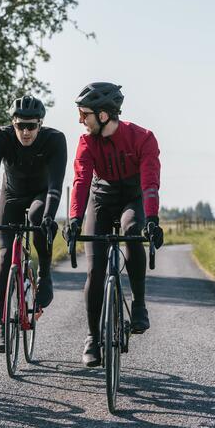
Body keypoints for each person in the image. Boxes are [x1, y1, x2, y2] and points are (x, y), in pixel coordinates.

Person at [63, 82, 164, 367]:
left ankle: (139, 304)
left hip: (132, 198)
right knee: (95, 269)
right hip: (101, 199)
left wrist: (152, 219)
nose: (80, 120)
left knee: (133, 231)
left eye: (84, 114)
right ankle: (93, 338)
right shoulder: (87, 141)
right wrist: (74, 219)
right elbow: (81, 181)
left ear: (104, 114)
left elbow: (150, 183)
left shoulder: (143, 138)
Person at [0, 95, 67, 352]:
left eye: (31, 126)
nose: (26, 132)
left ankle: (45, 273)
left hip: (41, 195)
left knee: (39, 220)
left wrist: (50, 216)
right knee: (5, 257)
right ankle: (2, 326)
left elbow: (55, 185)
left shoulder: (55, 140)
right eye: (20, 126)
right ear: (12, 123)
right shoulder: (0, 137)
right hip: (12, 196)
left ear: (40, 124)